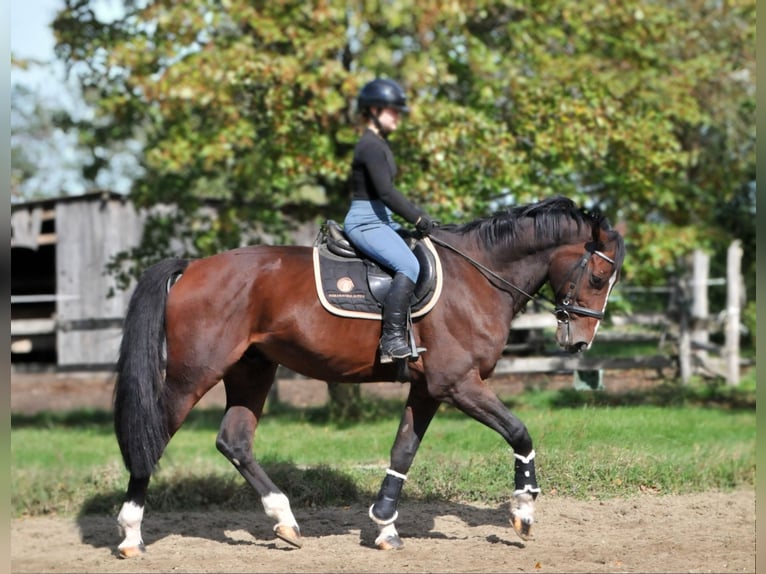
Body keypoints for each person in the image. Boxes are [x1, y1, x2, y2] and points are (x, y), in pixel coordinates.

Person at [343, 78, 437, 363]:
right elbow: (385, 191)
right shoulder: (369, 146)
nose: (397, 116)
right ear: (373, 110)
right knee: (408, 264)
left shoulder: (379, 144)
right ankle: (392, 340)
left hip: (382, 220)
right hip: (365, 221)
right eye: (392, 110)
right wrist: (418, 217)